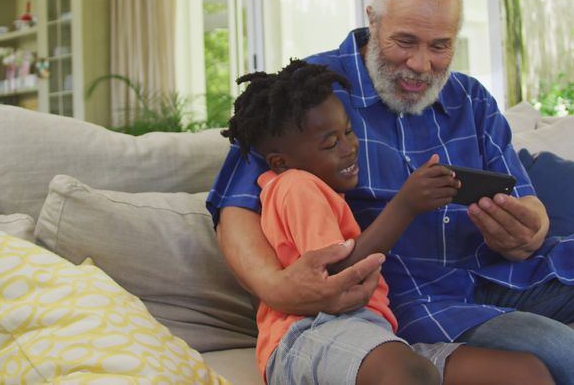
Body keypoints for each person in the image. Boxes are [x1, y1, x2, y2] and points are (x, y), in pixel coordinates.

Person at [208, 0, 574, 385]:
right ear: (372, 20)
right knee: (558, 347)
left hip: (496, 270)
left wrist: (529, 229)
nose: (420, 64)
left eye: (440, 46)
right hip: (413, 294)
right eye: (404, 41)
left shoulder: (471, 99)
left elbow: (527, 202)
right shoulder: (310, 95)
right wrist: (277, 288)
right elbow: (237, 208)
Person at [222, 59, 553, 385]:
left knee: (525, 373)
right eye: (331, 143)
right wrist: (405, 206)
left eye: (349, 132)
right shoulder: (295, 186)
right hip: (307, 334)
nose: (350, 148)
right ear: (281, 162)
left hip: (372, 332)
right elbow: (338, 277)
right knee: (403, 372)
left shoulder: (322, 191)